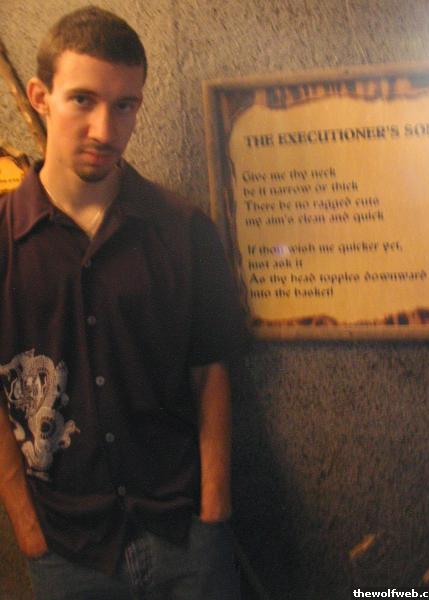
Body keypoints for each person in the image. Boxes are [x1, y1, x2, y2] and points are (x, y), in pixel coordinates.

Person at [0, 6, 246, 600]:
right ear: (40, 97)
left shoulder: (183, 228)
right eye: (83, 100)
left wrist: (214, 509)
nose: (105, 129)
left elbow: (210, 371)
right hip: (66, 547)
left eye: (125, 105)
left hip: (184, 531)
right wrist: (27, 529)